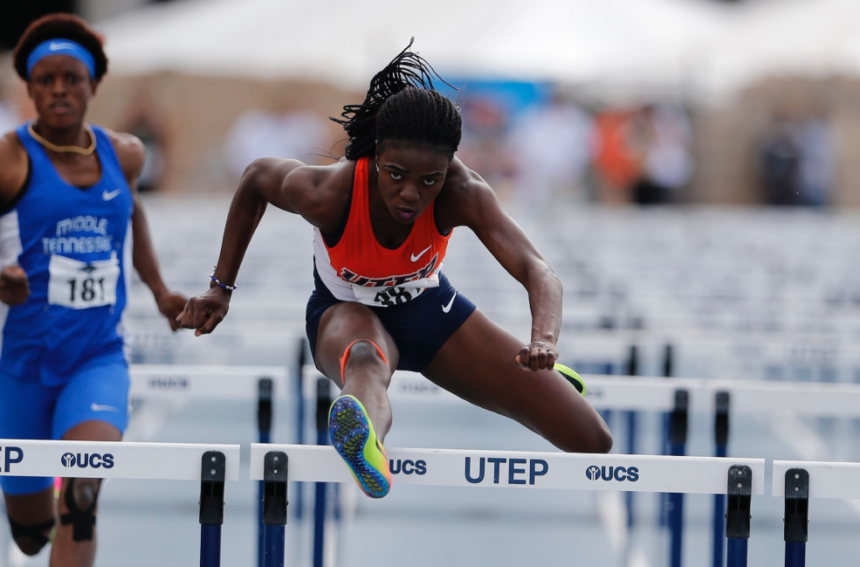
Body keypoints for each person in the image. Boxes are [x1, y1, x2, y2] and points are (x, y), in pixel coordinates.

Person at [179, 42, 612, 498]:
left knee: (592, 441)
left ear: (449, 170)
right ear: (378, 155)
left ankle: (539, 381)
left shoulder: (465, 192)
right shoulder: (329, 193)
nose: (411, 194)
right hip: (342, 312)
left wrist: (543, 338)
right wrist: (220, 288)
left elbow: (539, 271)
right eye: (397, 174)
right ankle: (367, 446)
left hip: (429, 310)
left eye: (430, 180)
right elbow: (254, 178)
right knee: (366, 358)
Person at [0, 14, 186, 565]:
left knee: (81, 495)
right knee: (31, 535)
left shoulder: (123, 153)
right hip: (23, 363)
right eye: (46, 80)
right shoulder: (10, 160)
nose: (59, 90)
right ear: (30, 88)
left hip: (97, 357)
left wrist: (159, 291)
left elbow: (132, 215)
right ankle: (37, 521)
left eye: (72, 79)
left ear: (92, 86)